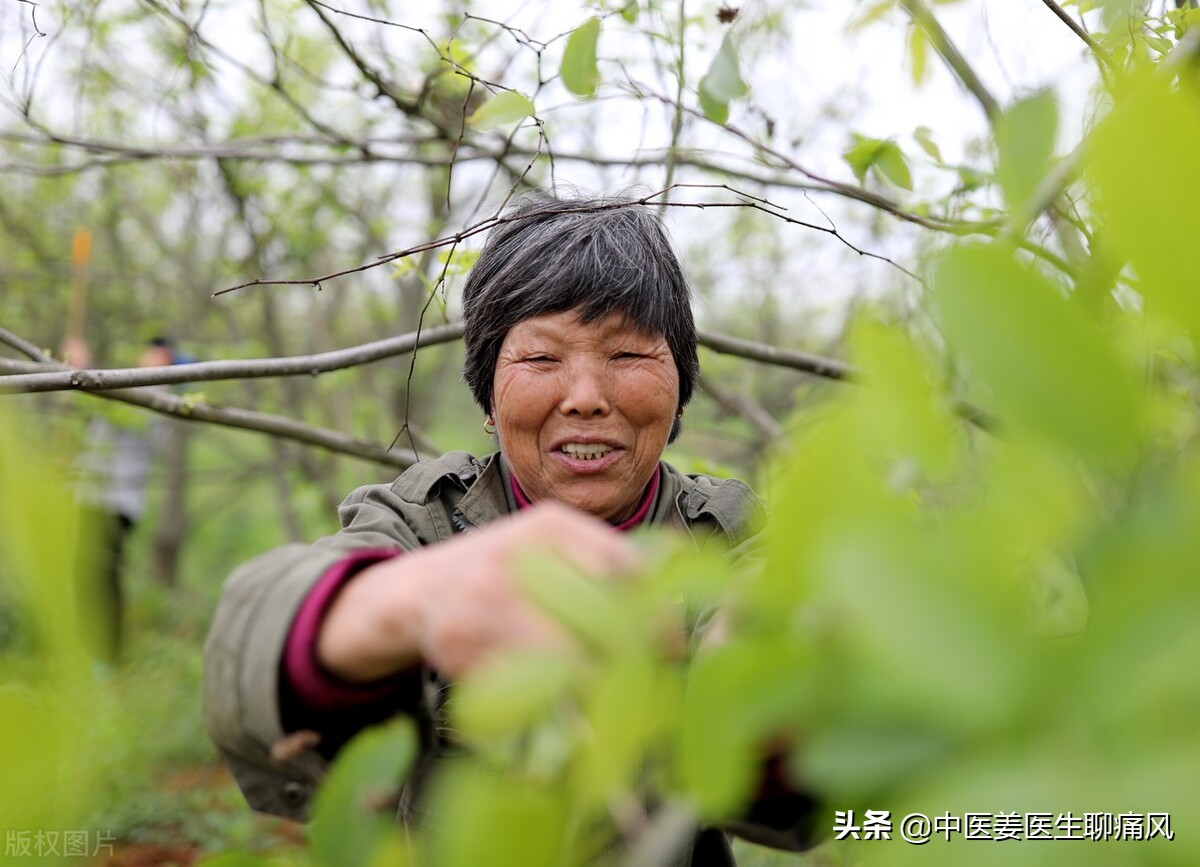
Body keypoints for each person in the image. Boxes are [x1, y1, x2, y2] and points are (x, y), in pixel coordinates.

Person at [203, 192, 817, 864]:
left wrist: (774, 696)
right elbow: (254, 643)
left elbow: (829, 796)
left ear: (679, 390)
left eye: (627, 355)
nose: (585, 395)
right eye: (543, 359)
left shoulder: (729, 534)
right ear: (489, 397)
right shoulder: (424, 519)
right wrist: (399, 605)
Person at [68, 336, 176, 664]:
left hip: (115, 501)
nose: (147, 357)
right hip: (92, 494)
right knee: (86, 574)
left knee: (101, 575)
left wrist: (80, 366)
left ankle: (105, 657)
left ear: (165, 359)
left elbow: (112, 403)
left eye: (155, 353)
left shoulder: (157, 393)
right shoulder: (130, 383)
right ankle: (92, 651)